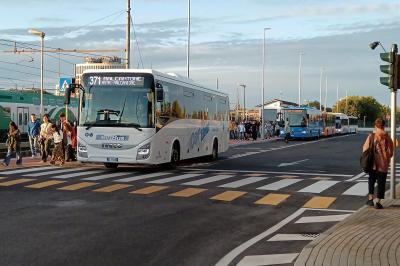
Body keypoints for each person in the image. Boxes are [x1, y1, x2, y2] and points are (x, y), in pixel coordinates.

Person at [363, 118, 394, 209]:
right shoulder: (388, 138)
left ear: (375, 126)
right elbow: (391, 153)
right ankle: (378, 202)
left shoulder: (371, 136)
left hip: (373, 164)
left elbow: (365, 149)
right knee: (381, 183)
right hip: (383, 165)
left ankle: (370, 199)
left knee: (371, 181)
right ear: (384, 126)